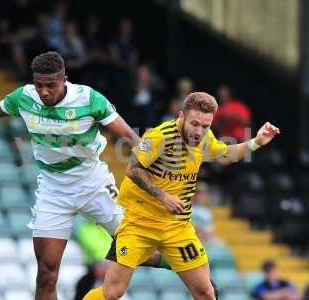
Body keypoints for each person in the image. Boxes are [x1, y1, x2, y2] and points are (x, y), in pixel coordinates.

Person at [0, 51, 169, 300]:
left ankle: (187, 265)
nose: (43, 92)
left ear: (64, 79)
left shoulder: (89, 99)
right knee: (46, 274)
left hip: (92, 182)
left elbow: (130, 137)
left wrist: (160, 169)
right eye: (39, 85)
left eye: (50, 85)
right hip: (53, 190)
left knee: (144, 253)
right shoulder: (25, 97)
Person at [84, 92, 280, 300]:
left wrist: (256, 142)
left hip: (177, 227)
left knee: (206, 293)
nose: (199, 131)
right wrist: (164, 196)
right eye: (195, 124)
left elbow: (224, 155)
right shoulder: (160, 136)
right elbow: (133, 169)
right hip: (138, 223)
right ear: (181, 116)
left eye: (205, 126)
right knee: (112, 292)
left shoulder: (204, 139)